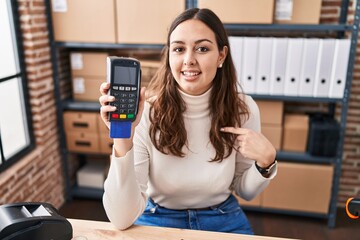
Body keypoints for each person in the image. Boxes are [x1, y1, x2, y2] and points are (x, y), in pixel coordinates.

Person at [99, 8, 277, 235]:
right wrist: (122, 138)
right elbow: (121, 219)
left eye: (202, 49)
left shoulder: (244, 109)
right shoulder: (146, 112)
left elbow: (245, 191)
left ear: (221, 55)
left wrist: (266, 163)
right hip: (159, 215)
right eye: (179, 49)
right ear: (170, 55)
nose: (189, 60)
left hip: (222, 216)